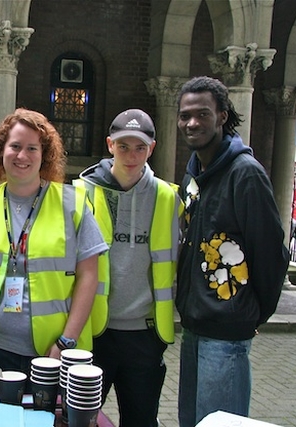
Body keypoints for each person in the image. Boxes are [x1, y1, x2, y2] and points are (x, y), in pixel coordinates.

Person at [175, 76, 289, 426]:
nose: (192, 123)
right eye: (185, 115)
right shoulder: (194, 175)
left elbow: (271, 255)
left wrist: (251, 316)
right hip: (194, 327)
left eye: (202, 114)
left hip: (226, 334)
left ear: (223, 116)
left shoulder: (245, 175)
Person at [0, 108, 108, 393]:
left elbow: (88, 277)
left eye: (32, 148)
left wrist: (66, 342)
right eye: (15, 146)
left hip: (54, 350)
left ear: (44, 154)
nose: (22, 156)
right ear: (1, 151)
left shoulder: (72, 203)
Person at [74, 109, 182, 427]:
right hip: (95, 332)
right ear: (110, 145)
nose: (131, 155)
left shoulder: (169, 197)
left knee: (141, 421)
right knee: (81, 419)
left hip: (145, 335)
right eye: (123, 146)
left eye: (139, 147)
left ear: (152, 148)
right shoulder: (82, 193)